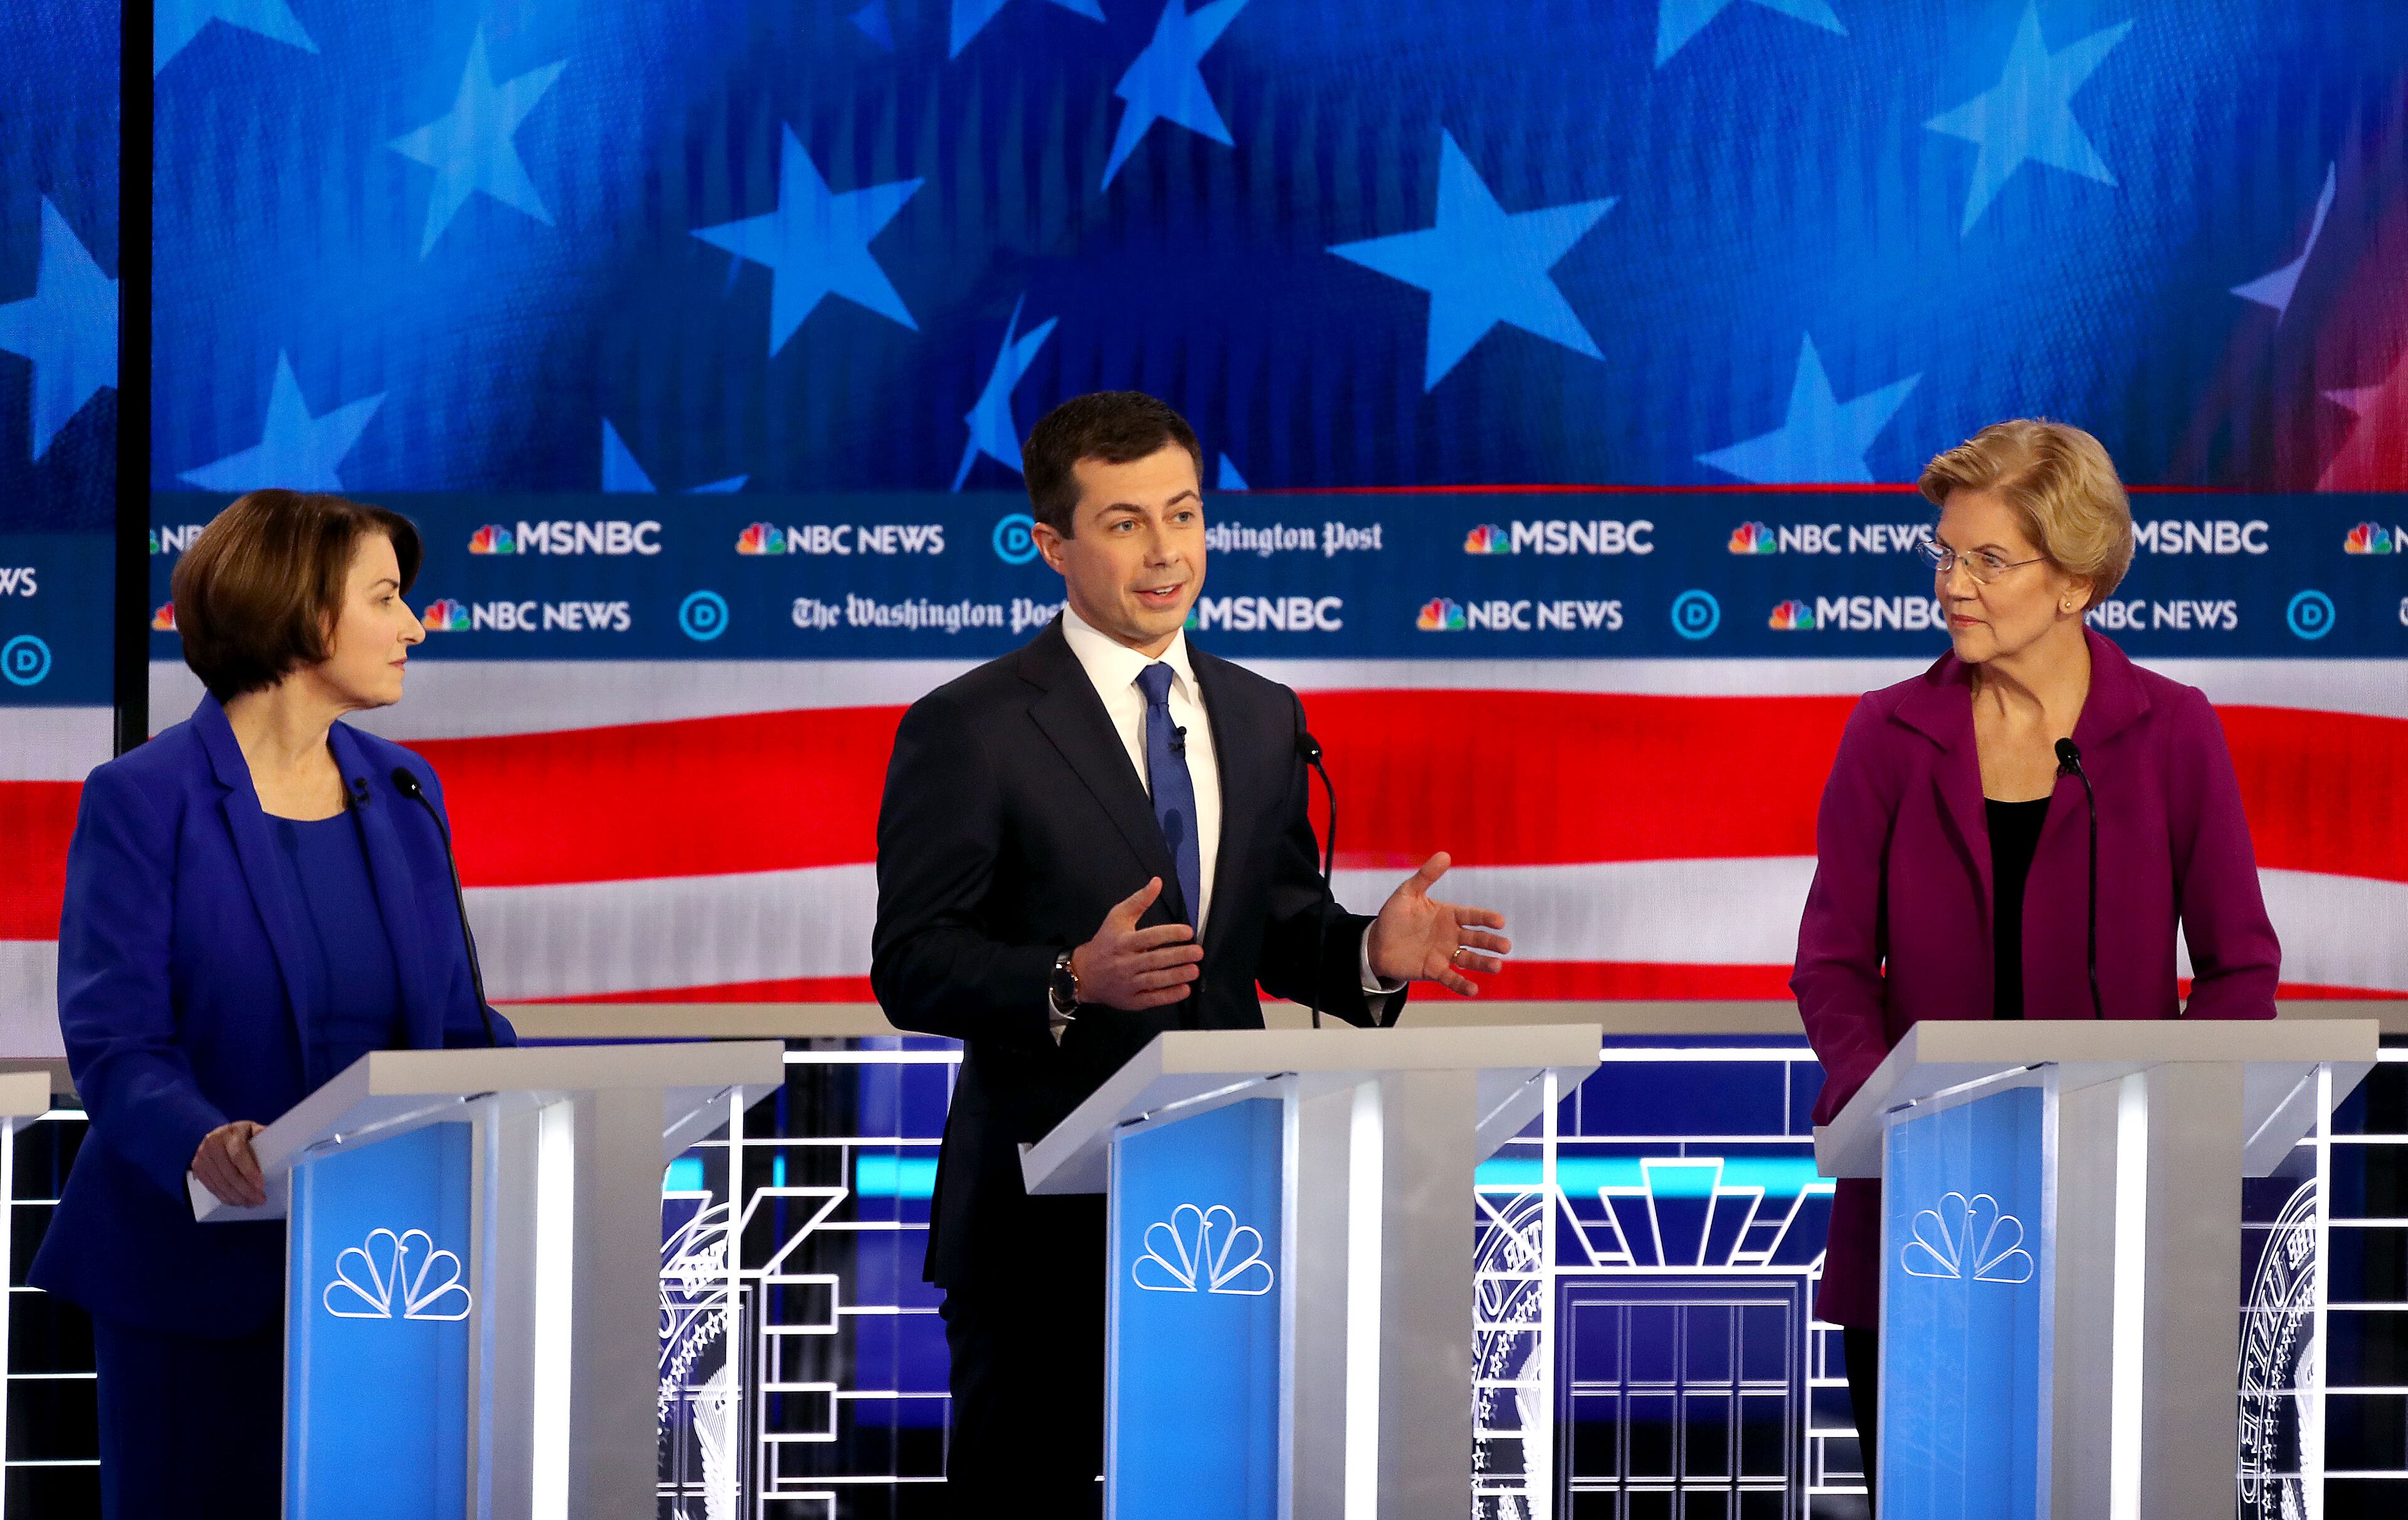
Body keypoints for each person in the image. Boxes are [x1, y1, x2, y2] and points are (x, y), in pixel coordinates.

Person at [870, 391, 1509, 1511]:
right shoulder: (969, 727)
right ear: (1052, 545)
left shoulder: (1261, 715)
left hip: (1231, 1212)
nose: (1166, 553)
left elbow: (1274, 928)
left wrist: (1372, 954)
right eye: (1124, 524)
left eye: (1184, 515)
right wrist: (1071, 978)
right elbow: (912, 962)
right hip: (1037, 1230)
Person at [1791, 420, 2279, 1501]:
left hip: (2115, 1201)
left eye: (1988, 560)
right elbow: (1829, 962)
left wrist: (2168, 1124)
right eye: (1946, 556)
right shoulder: (1888, 734)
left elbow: (2240, 969)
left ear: (2075, 582)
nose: (1952, 586)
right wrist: (1884, 1108)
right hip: (1924, 1208)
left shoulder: (2172, 732)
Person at [30, 490, 515, 1519]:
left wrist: (546, 1102)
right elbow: (117, 1042)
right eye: (386, 598)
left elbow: (461, 1028)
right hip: (193, 1270)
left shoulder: (407, 787)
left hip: (391, 1277)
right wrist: (203, 1137)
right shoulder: (143, 797)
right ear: (302, 613)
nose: (414, 626)